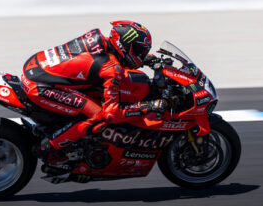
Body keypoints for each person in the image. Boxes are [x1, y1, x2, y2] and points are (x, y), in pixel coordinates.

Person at [21, 20, 165, 161]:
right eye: (140, 51)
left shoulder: (97, 38)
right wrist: (149, 106)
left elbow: (101, 60)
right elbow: (112, 114)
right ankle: (48, 146)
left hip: (35, 65)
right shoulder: (110, 68)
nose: (142, 55)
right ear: (125, 45)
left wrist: (146, 59)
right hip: (40, 86)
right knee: (99, 116)